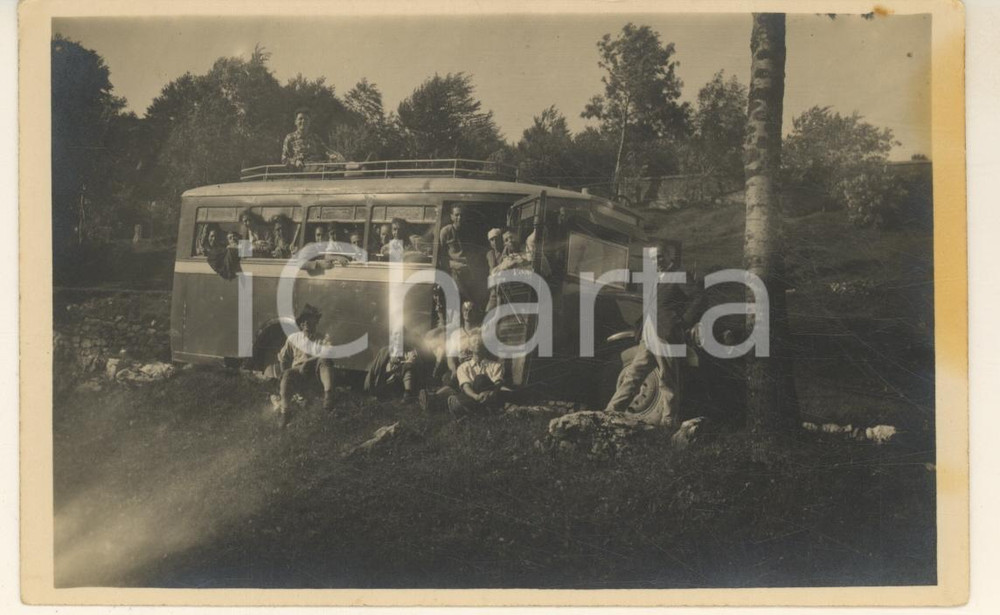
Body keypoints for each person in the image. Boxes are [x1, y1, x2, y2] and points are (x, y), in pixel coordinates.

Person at [603, 240, 701, 429]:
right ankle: (609, 413)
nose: (655, 262)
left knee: (668, 380)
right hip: (647, 336)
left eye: (659, 257)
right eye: (652, 259)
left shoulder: (679, 275)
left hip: (666, 335)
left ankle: (668, 424)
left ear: (669, 255)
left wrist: (682, 322)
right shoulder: (654, 276)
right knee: (632, 375)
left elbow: (699, 297)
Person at [273, 304, 336, 427]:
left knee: (325, 360)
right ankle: (285, 413)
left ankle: (328, 397)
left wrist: (309, 362)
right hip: (298, 371)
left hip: (316, 371)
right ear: (301, 324)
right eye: (304, 320)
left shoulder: (323, 338)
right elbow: (283, 358)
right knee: (286, 374)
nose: (306, 322)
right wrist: (283, 374)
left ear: (316, 321)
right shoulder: (293, 338)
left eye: (310, 319)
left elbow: (328, 352)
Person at [447, 333, 507, 416]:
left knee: (481, 379)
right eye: (474, 341)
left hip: (492, 395)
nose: (477, 343)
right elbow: (466, 386)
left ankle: (470, 409)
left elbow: (498, 383)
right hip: (473, 396)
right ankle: (484, 410)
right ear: (470, 348)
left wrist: (492, 393)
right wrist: (476, 396)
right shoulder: (463, 367)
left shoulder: (496, 365)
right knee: (465, 393)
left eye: (480, 341)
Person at [439, 204, 475, 301]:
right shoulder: (446, 231)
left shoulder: (468, 231)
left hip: (468, 270)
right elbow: (441, 256)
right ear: (451, 216)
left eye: (462, 215)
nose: (459, 218)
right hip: (453, 270)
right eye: (457, 215)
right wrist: (454, 265)